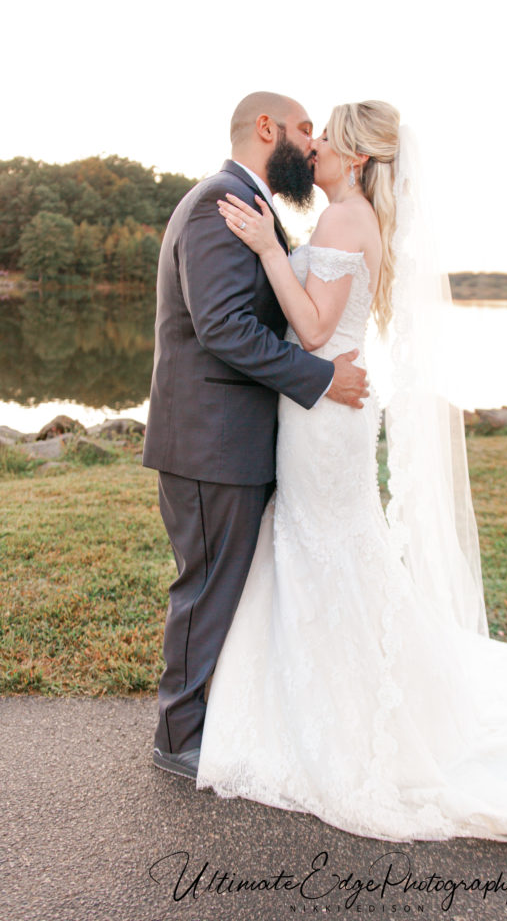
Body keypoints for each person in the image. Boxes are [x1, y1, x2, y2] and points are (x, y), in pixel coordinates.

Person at [196, 100, 507, 863]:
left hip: (324, 416)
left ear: (355, 158)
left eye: (326, 137)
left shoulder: (340, 220)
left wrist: (264, 250)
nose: (314, 145)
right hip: (331, 412)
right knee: (334, 548)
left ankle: (344, 721)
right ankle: (334, 702)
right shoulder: (354, 219)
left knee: (327, 548)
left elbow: (317, 333)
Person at [143, 92, 369, 779]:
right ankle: (178, 736)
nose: (309, 143)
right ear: (264, 127)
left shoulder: (253, 205)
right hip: (209, 442)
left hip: (230, 438)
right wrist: (318, 377)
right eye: (303, 128)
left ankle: (218, 717)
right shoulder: (222, 202)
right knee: (207, 588)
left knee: (226, 588)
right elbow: (222, 328)